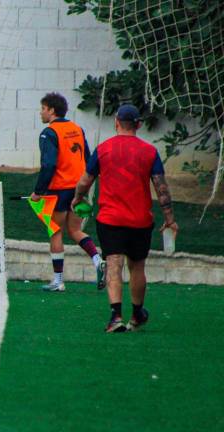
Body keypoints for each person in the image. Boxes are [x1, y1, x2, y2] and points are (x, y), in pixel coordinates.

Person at [72, 104, 178, 333]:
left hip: (110, 219)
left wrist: (78, 197)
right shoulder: (149, 151)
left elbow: (84, 181)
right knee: (137, 266)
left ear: (116, 122)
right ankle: (137, 313)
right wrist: (169, 218)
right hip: (140, 220)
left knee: (114, 264)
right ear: (138, 125)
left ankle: (115, 316)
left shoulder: (103, 149)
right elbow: (161, 188)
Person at [31, 92, 104, 291]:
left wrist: (38, 191)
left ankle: (58, 281)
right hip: (78, 188)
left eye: (43, 109)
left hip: (58, 191)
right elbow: (89, 158)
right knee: (75, 230)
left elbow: (49, 165)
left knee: (55, 231)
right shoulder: (77, 129)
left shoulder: (49, 133)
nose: (41, 113)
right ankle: (98, 260)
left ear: (52, 110)